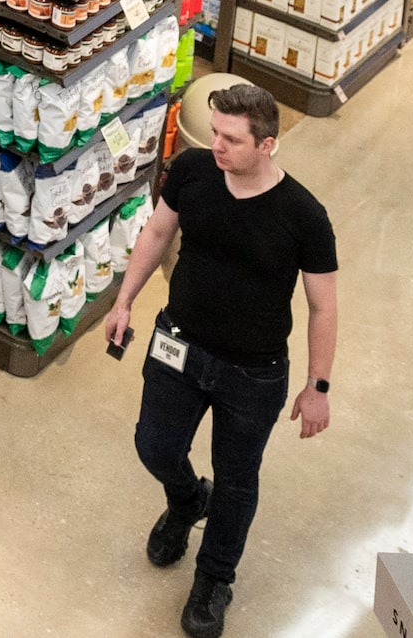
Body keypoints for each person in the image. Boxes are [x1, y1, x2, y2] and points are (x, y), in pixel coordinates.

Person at [102, 83, 337, 638]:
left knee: (237, 480)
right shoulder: (193, 171)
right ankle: (186, 501)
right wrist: (124, 300)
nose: (218, 146)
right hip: (177, 343)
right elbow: (159, 230)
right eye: (215, 133)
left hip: (251, 373)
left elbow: (323, 306)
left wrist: (317, 386)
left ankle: (214, 577)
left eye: (232, 139)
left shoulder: (304, 216)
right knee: (154, 444)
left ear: (268, 145)